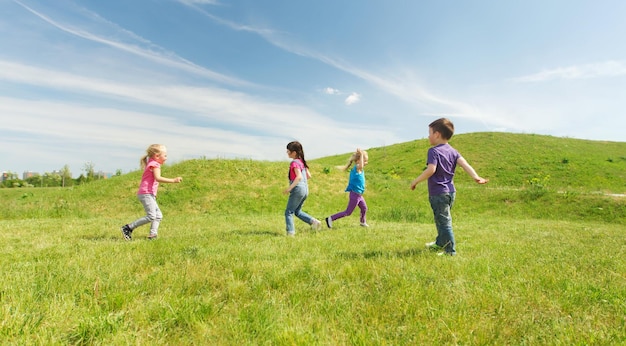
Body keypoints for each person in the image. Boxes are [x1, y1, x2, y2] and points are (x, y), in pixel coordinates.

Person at [410, 118, 487, 256]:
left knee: (444, 222)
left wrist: (415, 181)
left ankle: (450, 251)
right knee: (441, 219)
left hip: (438, 193)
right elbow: (465, 164)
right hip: (451, 192)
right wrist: (476, 176)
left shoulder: (433, 151)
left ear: (437, 134)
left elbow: (431, 170)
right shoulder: (453, 151)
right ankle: (440, 242)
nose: (428, 136)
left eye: (430, 133)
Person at [121, 144, 183, 240]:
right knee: (151, 216)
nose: (166, 158)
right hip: (146, 193)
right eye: (165, 155)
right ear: (157, 156)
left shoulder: (151, 162)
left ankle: (152, 235)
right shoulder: (155, 165)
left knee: (158, 216)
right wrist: (173, 180)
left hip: (148, 194)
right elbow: (158, 178)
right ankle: (128, 228)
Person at [283, 141, 321, 236]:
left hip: (297, 189)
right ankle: (314, 222)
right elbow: (308, 176)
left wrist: (289, 188)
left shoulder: (294, 163)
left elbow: (299, 176)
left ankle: (290, 233)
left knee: (289, 212)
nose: (287, 153)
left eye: (288, 151)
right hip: (305, 189)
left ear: (294, 152)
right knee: (297, 211)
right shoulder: (302, 162)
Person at [325, 148, 369, 229]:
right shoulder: (357, 168)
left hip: (359, 195)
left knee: (364, 208)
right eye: (365, 160)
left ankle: (363, 222)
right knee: (348, 212)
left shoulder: (360, 170)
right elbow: (361, 165)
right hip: (355, 195)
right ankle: (330, 218)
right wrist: (362, 154)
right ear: (358, 161)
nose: (366, 162)